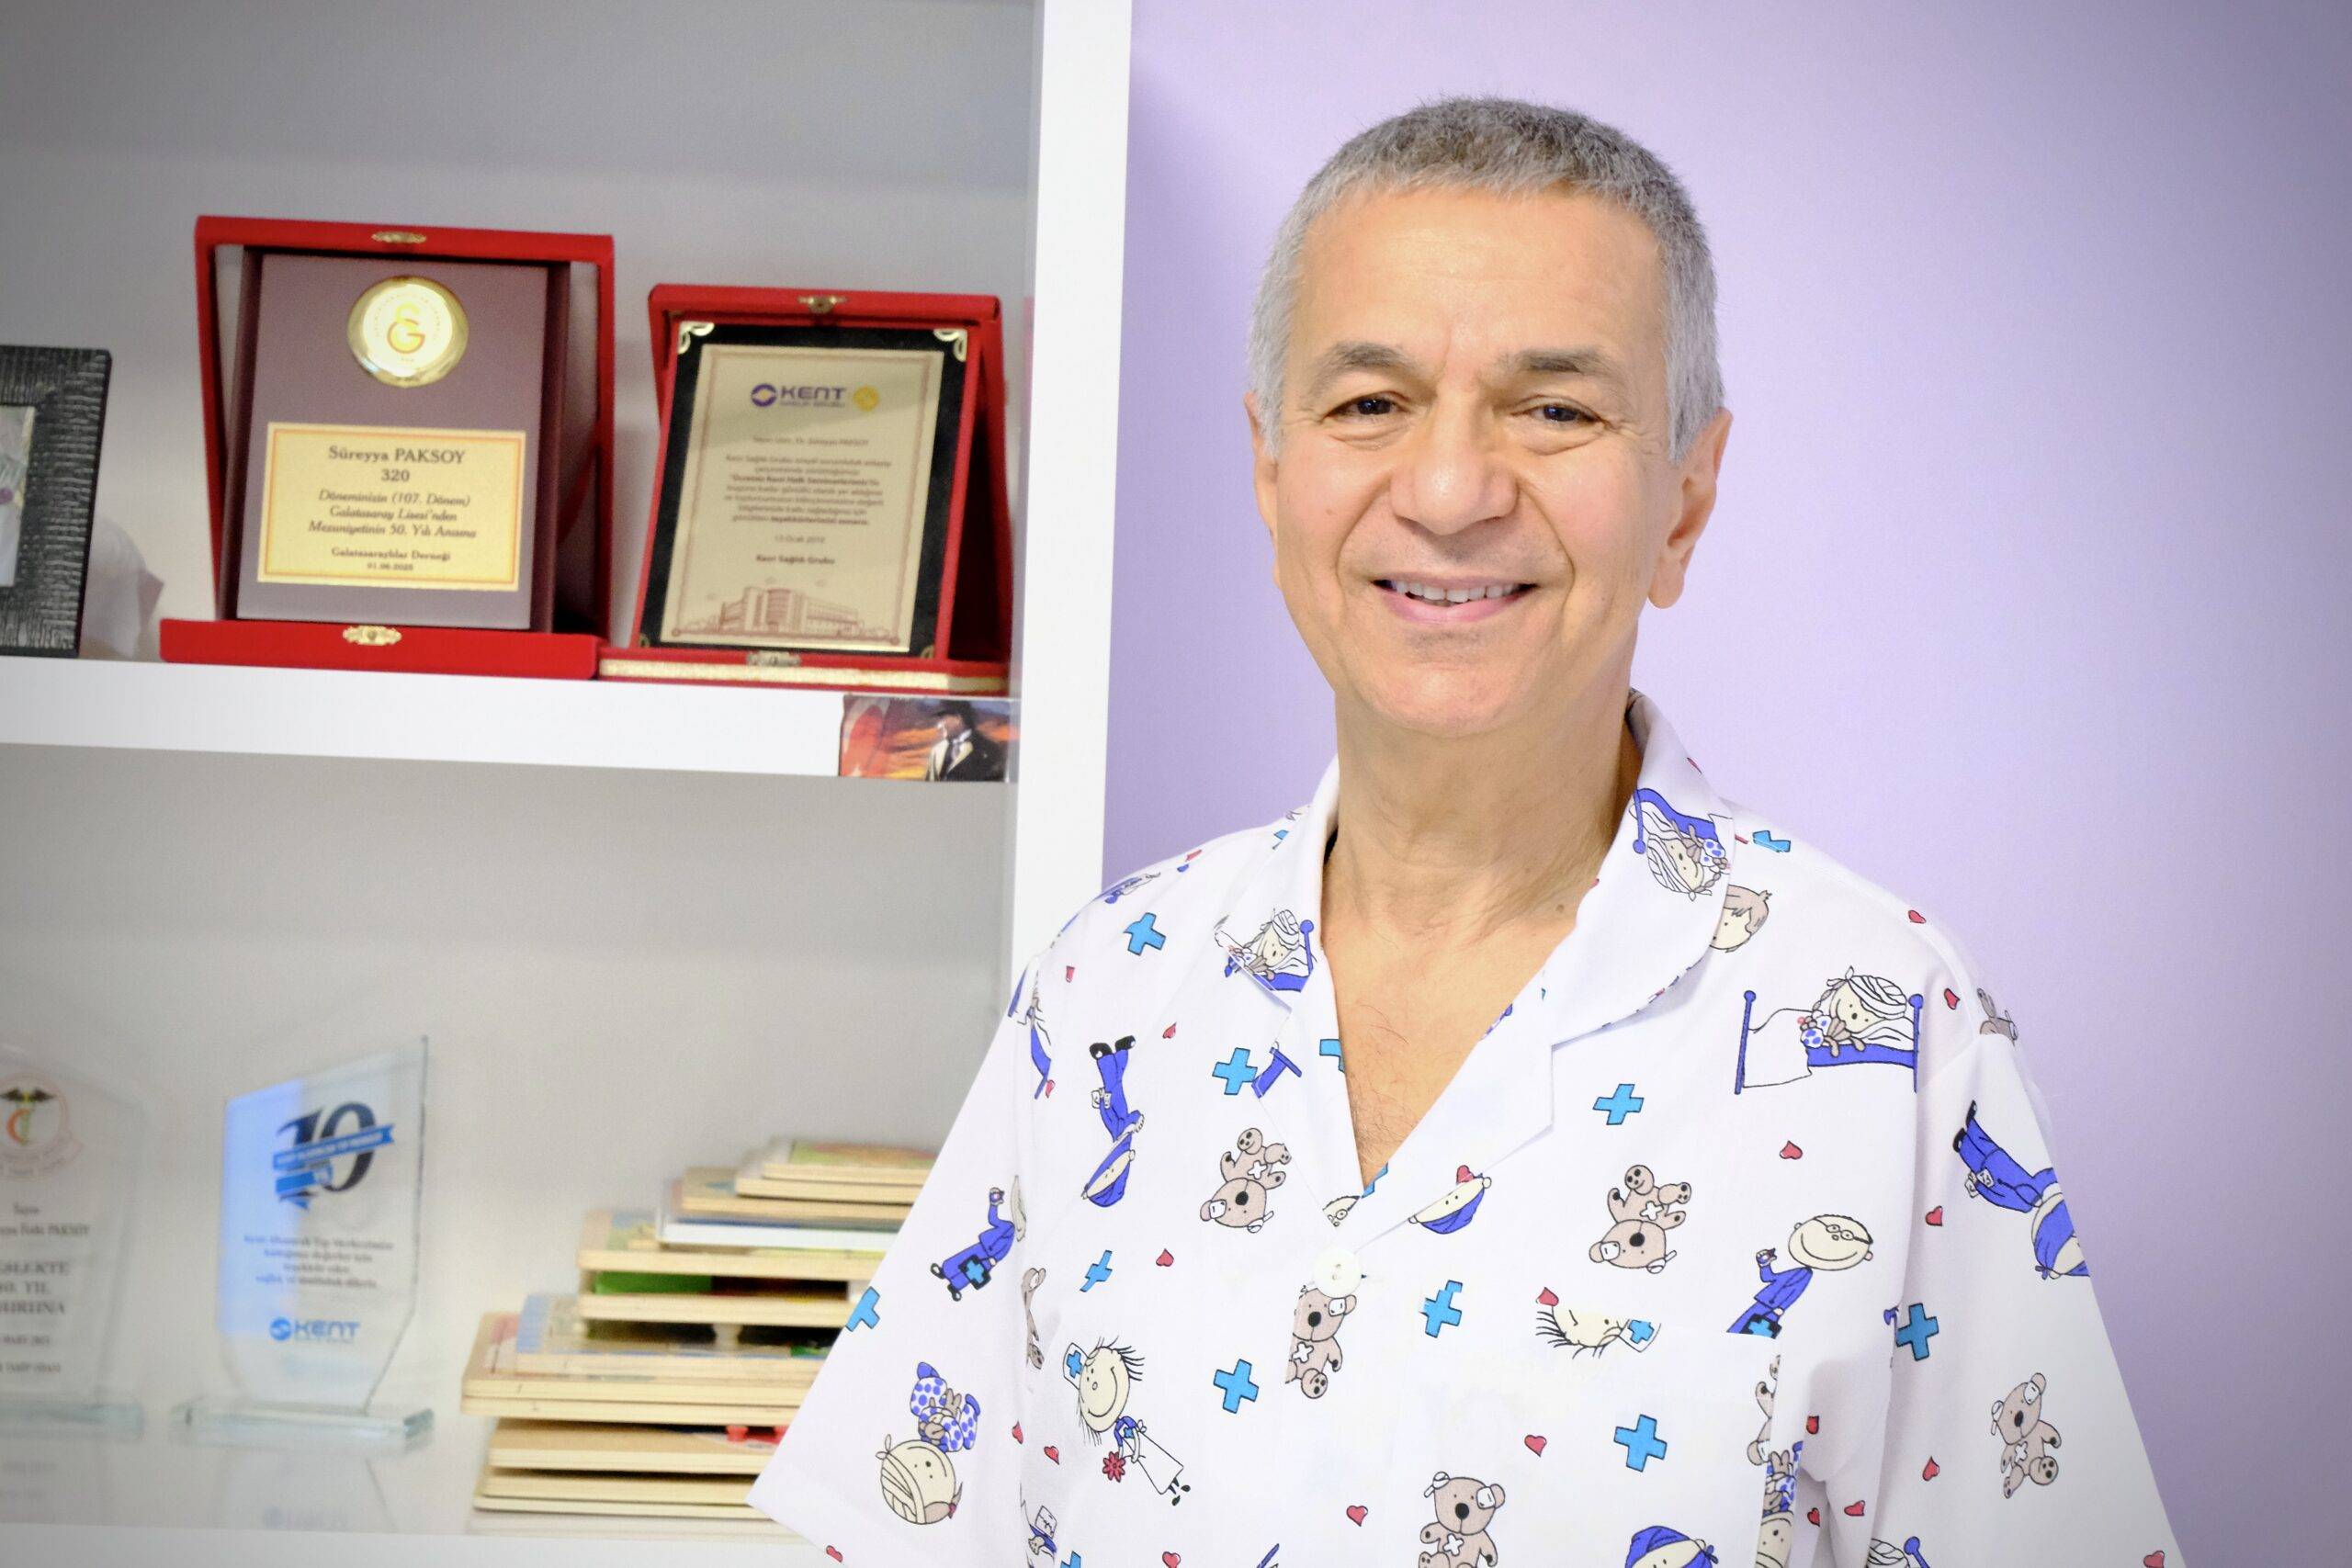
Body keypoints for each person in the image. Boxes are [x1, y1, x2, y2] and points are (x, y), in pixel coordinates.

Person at [750, 96, 2179, 1564]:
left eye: (1555, 410)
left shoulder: (1894, 1033)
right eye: (1370, 404)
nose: (1448, 494)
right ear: (1270, 472)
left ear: (1686, 499)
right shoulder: (1104, 988)